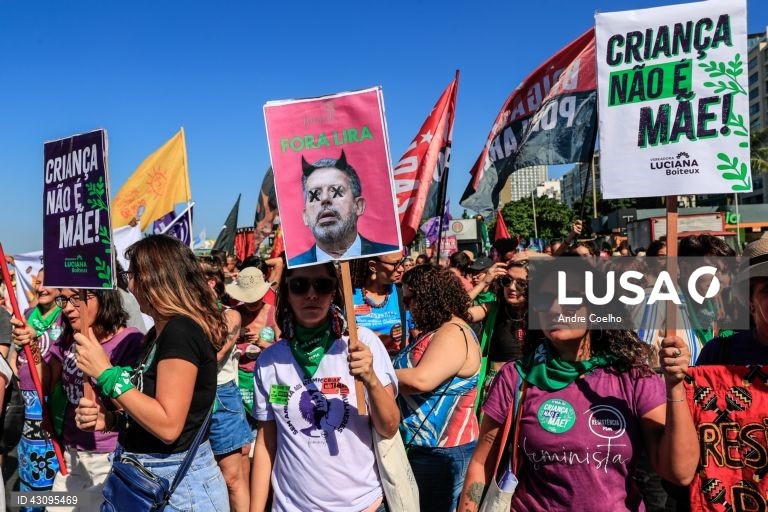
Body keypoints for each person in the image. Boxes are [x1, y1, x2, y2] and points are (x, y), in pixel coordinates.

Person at [458, 259, 699, 512]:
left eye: (570, 297)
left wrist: (675, 388)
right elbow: (481, 464)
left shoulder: (635, 377)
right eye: (544, 300)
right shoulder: (516, 377)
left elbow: (679, 473)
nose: (554, 308)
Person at [73, 235, 229, 510]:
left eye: (130, 275)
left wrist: (106, 373)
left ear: (153, 278)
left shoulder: (181, 332)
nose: (128, 285)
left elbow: (168, 426)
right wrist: (109, 420)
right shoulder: (159, 334)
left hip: (178, 488)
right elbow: (148, 410)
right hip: (150, 476)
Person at [250, 262, 399, 512]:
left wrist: (371, 378)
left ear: (334, 292)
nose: (311, 294)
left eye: (322, 285)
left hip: (361, 506)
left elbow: (390, 426)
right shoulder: (270, 361)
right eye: (299, 285)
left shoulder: (361, 344)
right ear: (286, 292)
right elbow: (266, 443)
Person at [393, 265, 481, 511]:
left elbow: (421, 380)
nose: (408, 305)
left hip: (444, 452)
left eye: (410, 298)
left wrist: (374, 373)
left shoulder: (453, 331)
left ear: (430, 296)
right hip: (427, 449)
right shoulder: (438, 330)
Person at [47, 288, 144, 512]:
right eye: (64, 299)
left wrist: (101, 371)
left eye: (76, 298)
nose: (69, 307)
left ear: (102, 297)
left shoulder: (129, 341)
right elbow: (45, 382)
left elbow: (134, 407)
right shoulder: (70, 338)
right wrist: (30, 347)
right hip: (71, 456)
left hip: (106, 458)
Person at [200, 258, 254, 512]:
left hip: (222, 397)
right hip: (193, 396)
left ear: (211, 283)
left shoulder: (231, 315)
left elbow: (216, 355)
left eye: (192, 278)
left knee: (232, 478)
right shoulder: (184, 316)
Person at [10, 268, 64, 510]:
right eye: (38, 283)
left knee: (50, 476)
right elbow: (14, 355)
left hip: (48, 403)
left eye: (48, 283)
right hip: (26, 403)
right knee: (27, 472)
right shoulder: (27, 314)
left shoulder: (64, 318)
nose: (41, 288)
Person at [288, 150, 399, 265]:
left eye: (336, 191)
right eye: (315, 194)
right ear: (305, 217)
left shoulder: (388, 257)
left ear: (359, 206)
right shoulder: (295, 267)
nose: (325, 199)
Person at [351, 253, 411, 355]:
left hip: (396, 367)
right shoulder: (349, 297)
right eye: (395, 264)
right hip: (362, 365)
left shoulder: (404, 294)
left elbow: (417, 335)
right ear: (373, 266)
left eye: (401, 262)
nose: (401, 269)